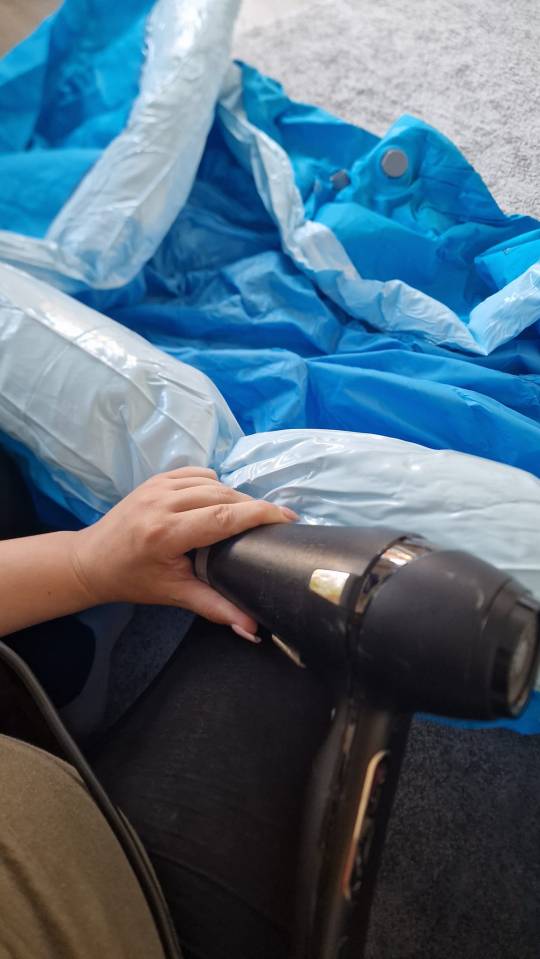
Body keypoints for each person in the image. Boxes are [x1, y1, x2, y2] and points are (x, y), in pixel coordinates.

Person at [0, 452, 332, 959]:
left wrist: (82, 563)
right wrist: (82, 565)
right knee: (283, 605)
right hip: (113, 908)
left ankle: (58, 659)